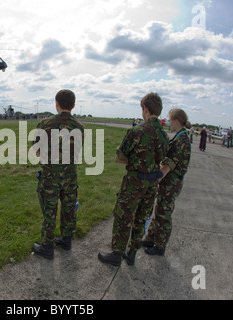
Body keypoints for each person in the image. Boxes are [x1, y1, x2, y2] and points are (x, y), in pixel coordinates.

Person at [98, 93, 169, 267]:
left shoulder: (136, 131)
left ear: (145, 109)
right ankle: (131, 253)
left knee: (124, 217)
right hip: (152, 184)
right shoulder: (165, 136)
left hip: (134, 182)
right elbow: (162, 159)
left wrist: (136, 162)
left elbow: (119, 157)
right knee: (141, 218)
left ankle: (116, 253)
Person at [32, 90, 85, 260]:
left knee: (49, 211)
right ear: (73, 105)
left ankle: (47, 247)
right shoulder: (80, 127)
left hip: (50, 176)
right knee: (69, 209)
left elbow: (36, 150)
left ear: (56, 103)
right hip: (70, 175)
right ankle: (66, 240)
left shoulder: (44, 124)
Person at [142, 109, 192, 256]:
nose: (169, 123)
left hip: (171, 183)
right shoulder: (179, 136)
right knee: (159, 209)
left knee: (164, 213)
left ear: (176, 121)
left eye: (170, 120)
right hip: (169, 183)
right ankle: (150, 238)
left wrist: (155, 179)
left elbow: (167, 166)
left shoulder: (181, 140)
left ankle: (160, 246)